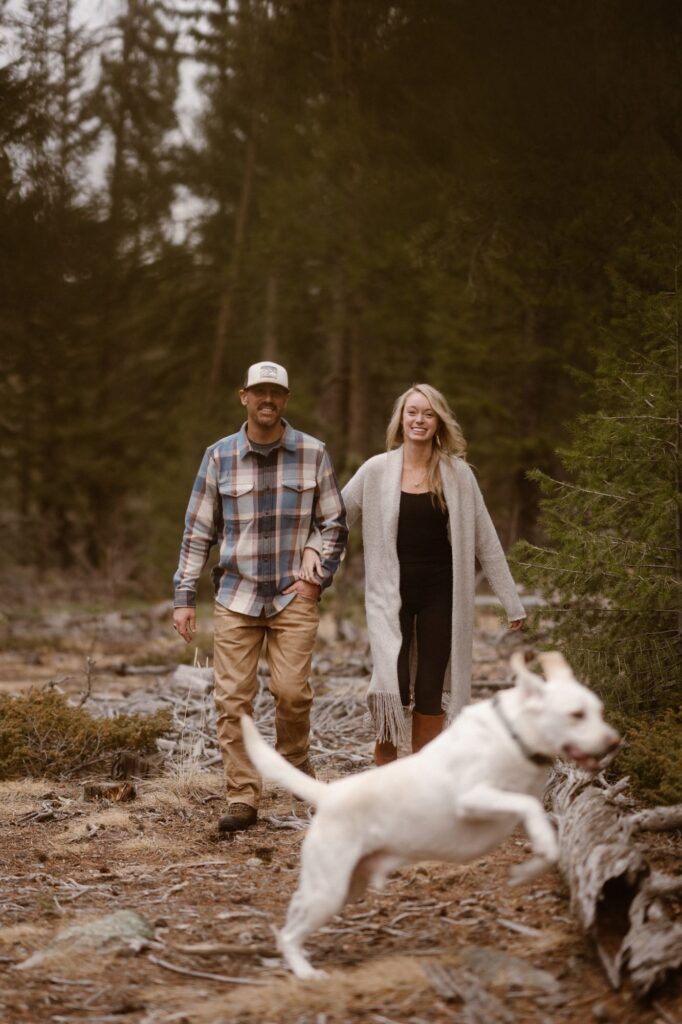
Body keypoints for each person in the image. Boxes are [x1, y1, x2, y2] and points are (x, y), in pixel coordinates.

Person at [300, 383, 525, 765]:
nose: (419, 420)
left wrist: (511, 601)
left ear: (439, 422)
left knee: (431, 685)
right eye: (412, 412)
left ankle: (426, 775)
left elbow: (485, 540)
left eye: (428, 414)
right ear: (400, 419)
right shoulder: (376, 470)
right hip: (392, 594)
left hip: (443, 592)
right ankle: (386, 771)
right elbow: (336, 519)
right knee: (393, 683)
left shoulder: (458, 475)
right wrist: (310, 549)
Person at [173, 361, 348, 833]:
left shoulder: (314, 453)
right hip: (236, 595)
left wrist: (317, 578)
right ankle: (243, 797)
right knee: (232, 699)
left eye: (276, 392)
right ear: (243, 396)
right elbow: (197, 531)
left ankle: (295, 765)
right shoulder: (219, 457)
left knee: (292, 693)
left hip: (294, 597)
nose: (267, 400)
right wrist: (184, 595)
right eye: (259, 392)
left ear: (286, 399)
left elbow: (335, 523)